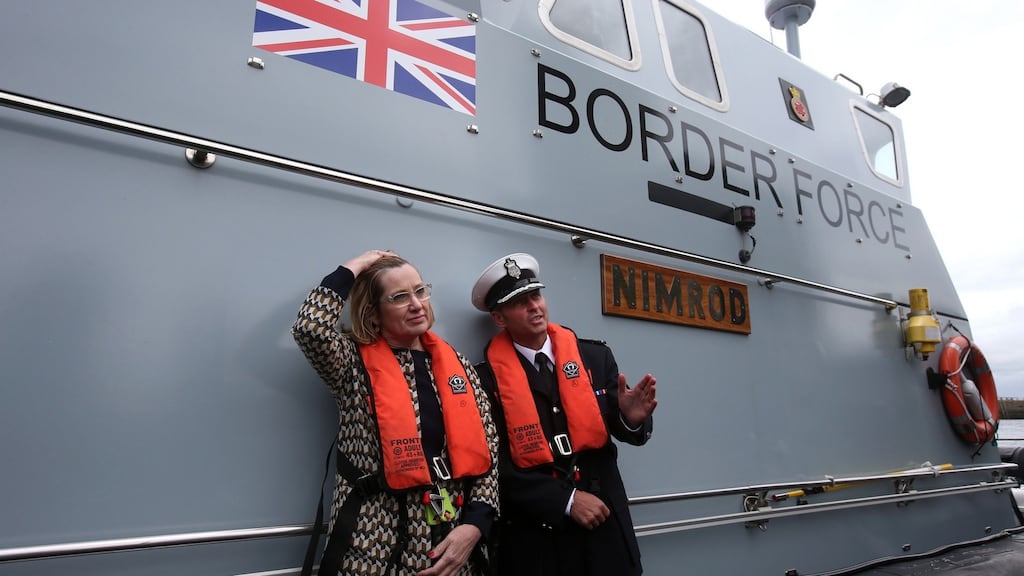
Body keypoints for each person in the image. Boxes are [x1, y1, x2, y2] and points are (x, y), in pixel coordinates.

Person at [292, 249, 499, 576]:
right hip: (374, 547)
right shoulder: (351, 365)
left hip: (451, 544)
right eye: (400, 297)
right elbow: (310, 329)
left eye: (420, 291)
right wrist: (356, 266)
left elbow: (489, 450)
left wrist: (475, 525)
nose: (417, 304)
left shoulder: (458, 366)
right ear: (374, 314)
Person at [470, 253, 657, 576]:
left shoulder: (594, 357)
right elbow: (491, 466)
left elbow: (621, 427)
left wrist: (631, 419)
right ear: (499, 318)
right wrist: (566, 500)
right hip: (539, 543)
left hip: (606, 536)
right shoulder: (484, 380)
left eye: (536, 295)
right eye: (519, 302)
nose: (534, 307)